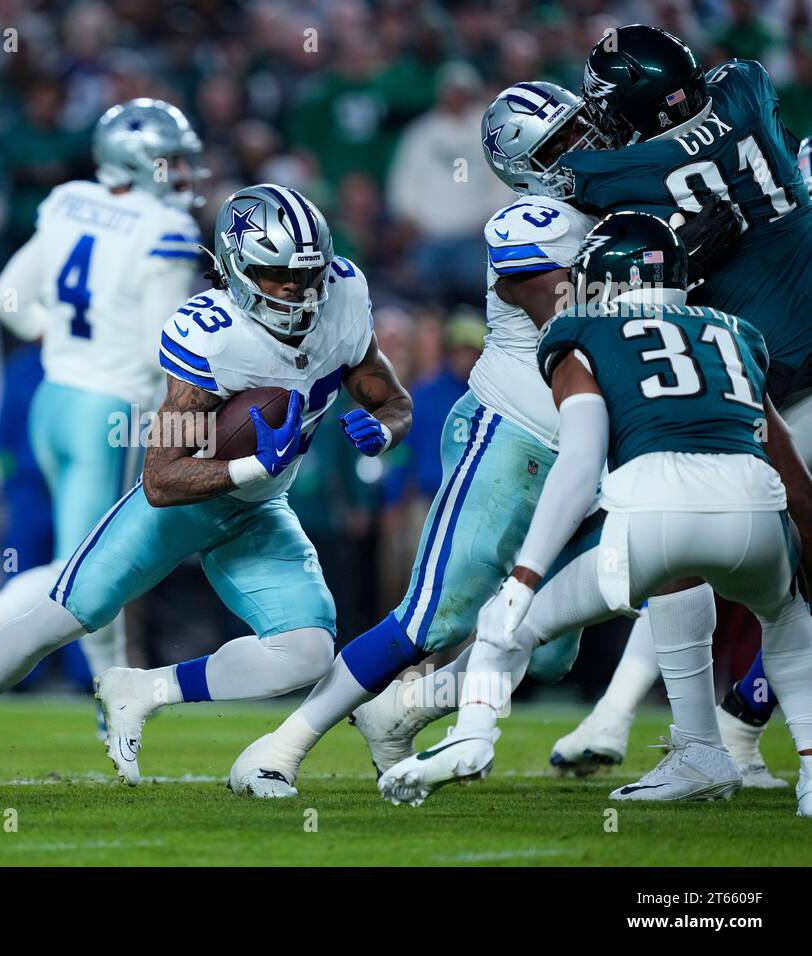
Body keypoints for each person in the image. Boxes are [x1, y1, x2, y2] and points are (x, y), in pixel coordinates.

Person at [225, 80, 715, 798]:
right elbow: (581, 322)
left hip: (590, 451)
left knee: (548, 645)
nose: (583, 149)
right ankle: (279, 747)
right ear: (524, 165)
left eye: (583, 132)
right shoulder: (527, 222)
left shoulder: (623, 209)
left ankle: (402, 709)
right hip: (510, 438)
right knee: (432, 616)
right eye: (560, 145)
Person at [0, 183, 412, 792]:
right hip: (189, 502)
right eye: (275, 272)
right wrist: (254, 465)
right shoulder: (211, 333)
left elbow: (389, 396)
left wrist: (384, 431)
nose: (296, 289)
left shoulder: (344, 295)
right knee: (60, 618)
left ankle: (143, 688)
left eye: (306, 274)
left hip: (261, 510)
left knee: (308, 651)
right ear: (235, 267)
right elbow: (160, 479)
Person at [380, 212, 812, 817]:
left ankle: (472, 736)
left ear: (600, 277)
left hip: (651, 514)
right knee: (789, 618)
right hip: (756, 513)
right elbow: (796, 478)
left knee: (512, 628)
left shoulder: (581, 332)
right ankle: (778, 767)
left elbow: (581, 462)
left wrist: (524, 577)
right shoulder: (735, 332)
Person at [547, 24, 812, 784]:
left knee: (683, 531)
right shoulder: (749, 84)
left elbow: (579, 182)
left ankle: (654, 724)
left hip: (758, 353)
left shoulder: (617, 170)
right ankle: (716, 732)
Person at [0, 99, 206, 708]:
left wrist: (62, 335)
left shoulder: (66, 202)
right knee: (87, 569)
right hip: (109, 410)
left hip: (51, 400)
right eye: (170, 161)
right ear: (139, 160)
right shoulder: (167, 231)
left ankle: (109, 697)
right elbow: (169, 351)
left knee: (94, 567)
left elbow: (4, 300)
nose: (182, 174)